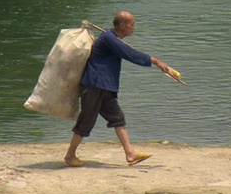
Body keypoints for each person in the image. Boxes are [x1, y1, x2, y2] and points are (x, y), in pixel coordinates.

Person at [64, 11, 170, 167]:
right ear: (122, 25)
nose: (134, 27)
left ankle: (130, 153)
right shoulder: (108, 38)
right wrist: (154, 61)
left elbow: (125, 50)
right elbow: (130, 54)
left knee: (117, 118)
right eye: (132, 24)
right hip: (95, 84)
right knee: (86, 121)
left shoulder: (113, 39)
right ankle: (70, 155)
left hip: (105, 86)